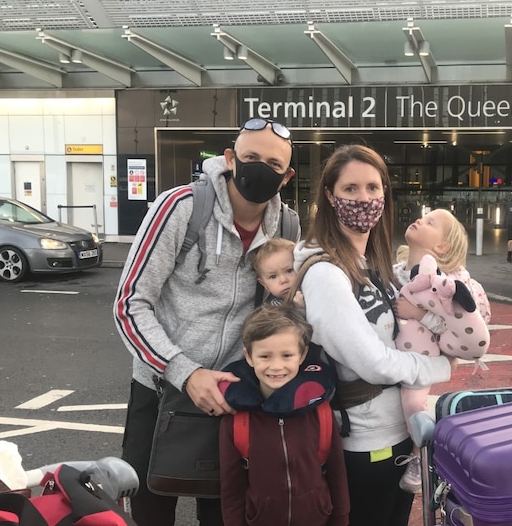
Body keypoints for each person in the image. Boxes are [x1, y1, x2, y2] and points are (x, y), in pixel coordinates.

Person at [113, 117, 300, 526]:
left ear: (285, 177)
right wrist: (185, 372)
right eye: (250, 157)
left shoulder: (286, 226)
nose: (258, 169)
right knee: (150, 508)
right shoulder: (180, 208)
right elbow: (130, 304)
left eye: (272, 164)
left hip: (232, 394)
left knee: (224, 513)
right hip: (161, 388)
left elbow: (277, 313)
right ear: (230, 159)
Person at [292, 144, 456, 526]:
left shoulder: (374, 265)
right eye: (350, 189)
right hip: (363, 444)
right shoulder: (326, 273)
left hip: (398, 436)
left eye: (372, 187)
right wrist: (439, 367)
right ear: (330, 197)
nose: (363, 198)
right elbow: (370, 361)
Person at [217, 305, 350, 526]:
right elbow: (232, 487)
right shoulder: (236, 420)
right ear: (248, 357)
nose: (276, 366)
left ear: (303, 355)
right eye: (265, 356)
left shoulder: (321, 412)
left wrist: (341, 520)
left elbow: (337, 473)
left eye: (287, 355)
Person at [393, 209, 491, 493]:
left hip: (423, 358)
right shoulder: (395, 271)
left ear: (442, 247)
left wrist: (418, 314)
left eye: (430, 222)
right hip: (395, 356)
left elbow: (454, 327)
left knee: (413, 403)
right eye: (423, 216)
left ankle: (421, 455)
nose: (420, 219)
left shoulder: (446, 283)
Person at [252, 237, 303, 306]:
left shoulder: (314, 290)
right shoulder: (272, 311)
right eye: (273, 276)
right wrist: (300, 309)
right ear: (264, 285)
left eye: (289, 271)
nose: (283, 280)